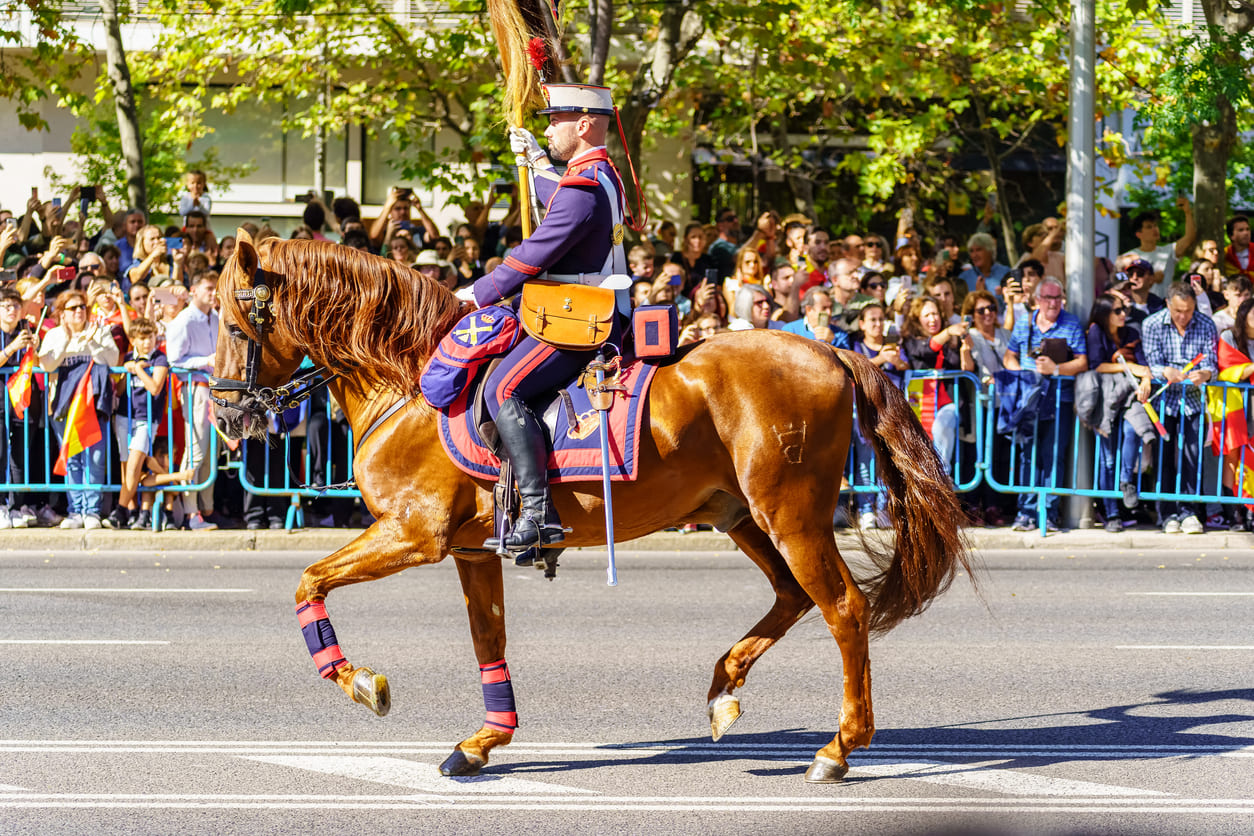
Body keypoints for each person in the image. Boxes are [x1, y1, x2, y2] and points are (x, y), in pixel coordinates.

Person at [468, 82, 633, 551]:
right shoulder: (599, 174)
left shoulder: (583, 186)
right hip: (595, 308)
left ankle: (539, 514)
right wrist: (540, 163)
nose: (549, 127)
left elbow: (536, 253)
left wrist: (479, 293)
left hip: (581, 317)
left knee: (502, 388)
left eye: (555, 121)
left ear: (582, 125)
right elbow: (564, 199)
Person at [1003, 277, 1089, 531]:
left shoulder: (1071, 322)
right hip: (1029, 399)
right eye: (1048, 297)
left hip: (1059, 398)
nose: (1054, 303)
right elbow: (1009, 355)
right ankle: (1026, 510)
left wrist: (1057, 368)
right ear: (1038, 299)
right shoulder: (1025, 322)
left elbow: (1082, 362)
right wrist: (1021, 374)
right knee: (1028, 455)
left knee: (1053, 455)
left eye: (1058, 297)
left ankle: (1048, 513)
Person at [37, 290, 119, 529]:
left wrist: (91, 340)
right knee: (72, 457)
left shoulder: (100, 330)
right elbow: (48, 363)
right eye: (72, 308)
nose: (79, 311)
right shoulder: (53, 335)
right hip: (65, 405)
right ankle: (75, 510)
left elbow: (112, 360)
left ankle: (92, 510)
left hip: (94, 405)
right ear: (62, 312)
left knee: (95, 457)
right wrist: (66, 337)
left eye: (82, 306)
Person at [1141, 282, 1218, 534]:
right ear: (1168, 305)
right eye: (1178, 311)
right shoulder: (1152, 324)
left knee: (1192, 457)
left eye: (1188, 311)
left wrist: (1205, 374)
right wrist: (1164, 370)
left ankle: (1189, 511)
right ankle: (1166, 513)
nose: (1184, 317)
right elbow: (1151, 363)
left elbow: (1212, 364)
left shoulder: (1206, 324)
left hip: (1194, 400)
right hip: (1164, 402)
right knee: (1164, 458)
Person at [1085, 293, 1151, 533]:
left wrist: (1145, 377)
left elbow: (1144, 365)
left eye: (1124, 309)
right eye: (1117, 311)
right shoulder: (1096, 331)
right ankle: (1111, 511)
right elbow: (1096, 365)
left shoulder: (1131, 332)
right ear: (1105, 314)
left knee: (1133, 431)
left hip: (1130, 397)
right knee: (1107, 458)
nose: (1124, 314)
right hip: (1105, 399)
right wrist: (1129, 367)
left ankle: (1126, 481)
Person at [165, 273, 225, 531]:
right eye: (208, 289)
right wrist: (205, 360)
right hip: (196, 389)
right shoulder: (184, 320)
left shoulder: (215, 317)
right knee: (196, 450)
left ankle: (205, 508)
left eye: (215, 289)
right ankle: (191, 514)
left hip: (215, 390)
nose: (213, 294)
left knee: (212, 453)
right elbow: (174, 362)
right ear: (194, 291)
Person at [107, 317, 172, 530]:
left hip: (147, 418)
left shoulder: (159, 358)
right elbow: (118, 391)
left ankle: (120, 510)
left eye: (151, 337)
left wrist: (139, 370)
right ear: (134, 340)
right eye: (142, 339)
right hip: (125, 416)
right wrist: (126, 372)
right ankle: (132, 512)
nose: (147, 343)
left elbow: (155, 388)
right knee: (127, 467)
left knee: (136, 462)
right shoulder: (127, 357)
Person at [1120, 199, 1197, 291]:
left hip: (1165, 303)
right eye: (1149, 227)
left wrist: (1187, 212)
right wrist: (1149, 278)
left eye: (1155, 225)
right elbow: (1116, 278)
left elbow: (1189, 238)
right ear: (1139, 234)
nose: (1155, 229)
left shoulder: (1169, 250)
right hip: (1140, 304)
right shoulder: (1129, 257)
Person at [782, 286, 847, 347]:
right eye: (824, 308)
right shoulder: (790, 331)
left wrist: (833, 341)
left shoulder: (840, 335)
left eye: (830, 308)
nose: (829, 312)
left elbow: (846, 358)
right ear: (809, 310)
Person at [958, 232, 1011, 301]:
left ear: (990, 251)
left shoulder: (1006, 273)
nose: (974, 255)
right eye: (971, 251)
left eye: (978, 250)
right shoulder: (964, 278)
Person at [1222, 214, 1253, 281]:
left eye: (1247, 229)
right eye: (1241, 230)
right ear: (1231, 236)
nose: (1246, 233)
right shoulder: (1225, 254)